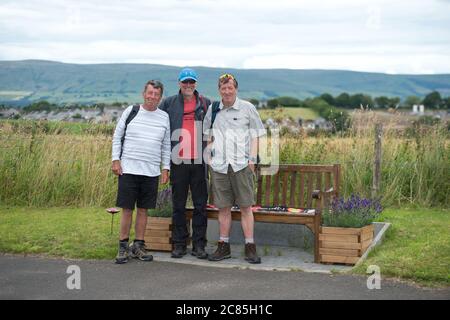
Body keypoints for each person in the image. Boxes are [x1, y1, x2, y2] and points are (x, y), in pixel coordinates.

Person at [203, 73, 266, 264]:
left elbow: (256, 135)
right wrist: (210, 156)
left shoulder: (248, 108)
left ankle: (250, 247)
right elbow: (208, 136)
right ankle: (224, 246)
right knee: (223, 208)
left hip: (241, 165)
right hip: (220, 167)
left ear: (236, 89)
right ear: (219, 90)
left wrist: (252, 160)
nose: (227, 91)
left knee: (246, 207)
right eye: (224, 88)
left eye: (230, 88)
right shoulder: (213, 109)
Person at [111, 80, 170, 264]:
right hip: (128, 169)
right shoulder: (131, 111)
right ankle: (122, 247)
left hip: (151, 171)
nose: (152, 97)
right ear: (144, 93)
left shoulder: (164, 117)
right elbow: (117, 136)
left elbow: (166, 145)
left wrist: (165, 167)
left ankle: (138, 246)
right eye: (150, 93)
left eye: (156, 94)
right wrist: (115, 159)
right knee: (127, 210)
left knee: (143, 211)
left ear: (160, 97)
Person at [159, 68, 211, 259]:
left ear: (195, 84)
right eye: (185, 82)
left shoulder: (206, 103)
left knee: (200, 206)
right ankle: (179, 244)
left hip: (199, 162)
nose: (188, 85)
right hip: (178, 160)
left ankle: (199, 245)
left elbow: (215, 129)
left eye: (191, 82)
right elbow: (159, 126)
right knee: (178, 205)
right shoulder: (169, 103)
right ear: (179, 83)